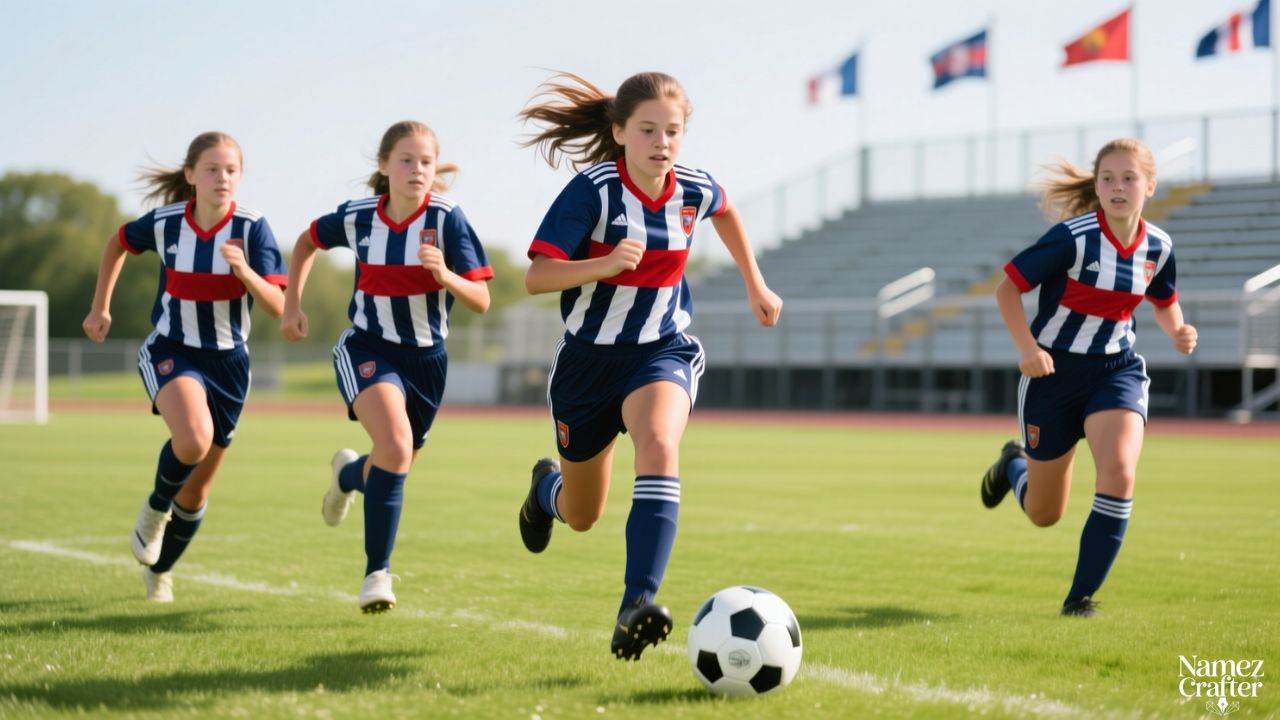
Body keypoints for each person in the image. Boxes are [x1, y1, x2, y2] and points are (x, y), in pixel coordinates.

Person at [514, 71, 783, 659]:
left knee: (659, 444)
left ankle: (636, 605)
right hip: (586, 365)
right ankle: (544, 491)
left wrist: (755, 283)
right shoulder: (592, 192)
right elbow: (537, 277)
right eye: (647, 130)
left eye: (673, 131)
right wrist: (604, 264)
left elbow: (726, 209)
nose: (662, 142)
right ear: (619, 132)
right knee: (582, 515)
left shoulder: (693, 187)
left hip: (660, 350)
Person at [280, 120, 492, 614]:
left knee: (391, 464)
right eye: (406, 160)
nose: (417, 170)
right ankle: (377, 574)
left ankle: (347, 476)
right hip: (368, 348)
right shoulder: (358, 217)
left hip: (428, 362)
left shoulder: (447, 219)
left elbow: (481, 299)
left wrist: (445, 274)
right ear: (384, 166)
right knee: (395, 447)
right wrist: (292, 305)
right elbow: (307, 241)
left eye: (425, 162)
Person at [980, 138, 1198, 618]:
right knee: (1044, 513)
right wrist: (1028, 349)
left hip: (1115, 373)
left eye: (1129, 179)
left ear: (1149, 186)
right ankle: (1012, 465)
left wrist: (1178, 329)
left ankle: (1079, 600)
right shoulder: (1072, 238)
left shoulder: (1159, 246)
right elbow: (1007, 290)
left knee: (1119, 471)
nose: (1118, 187)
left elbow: (1164, 300)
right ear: (1096, 186)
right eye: (1108, 179)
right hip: (1052, 377)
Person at [83, 132, 287, 602]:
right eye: (212, 169)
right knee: (193, 439)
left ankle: (161, 571)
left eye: (231, 170)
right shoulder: (167, 222)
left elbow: (277, 305)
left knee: (195, 493)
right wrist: (100, 307)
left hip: (229, 364)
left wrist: (245, 272)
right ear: (191, 175)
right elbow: (117, 244)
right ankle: (155, 509)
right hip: (171, 349)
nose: (223, 178)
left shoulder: (253, 228)